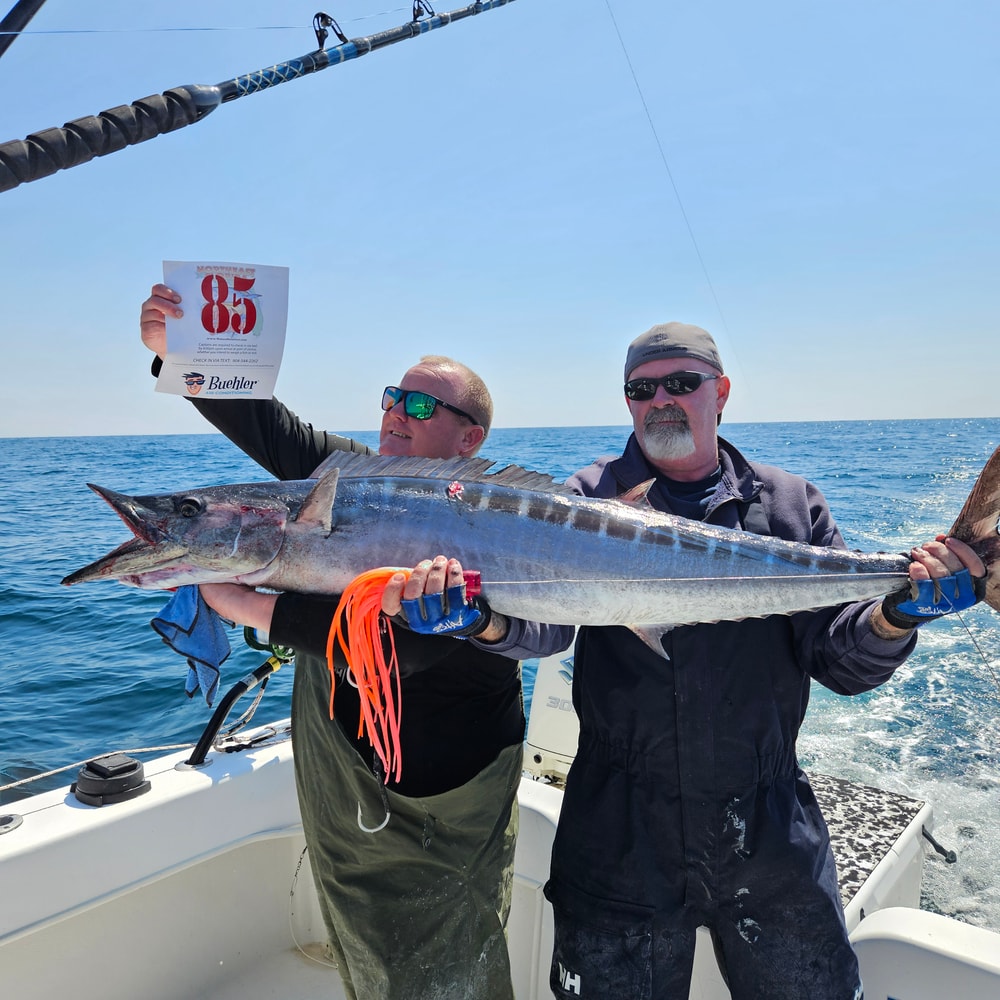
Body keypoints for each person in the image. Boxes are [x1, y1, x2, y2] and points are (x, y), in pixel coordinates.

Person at [139, 284, 573, 1000]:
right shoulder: (344, 477)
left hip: (442, 789)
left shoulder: (491, 519)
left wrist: (247, 605)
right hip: (344, 765)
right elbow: (264, 423)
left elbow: (409, 647)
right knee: (370, 952)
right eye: (392, 398)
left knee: (447, 958)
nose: (398, 414)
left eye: (423, 406)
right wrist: (177, 353)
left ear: (470, 440)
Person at [544, 322, 988, 1000]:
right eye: (641, 388)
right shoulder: (580, 502)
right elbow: (535, 627)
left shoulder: (789, 503)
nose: (660, 399)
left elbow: (841, 662)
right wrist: (480, 622)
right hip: (616, 826)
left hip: (769, 825)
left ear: (720, 392)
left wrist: (897, 613)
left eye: (681, 383)